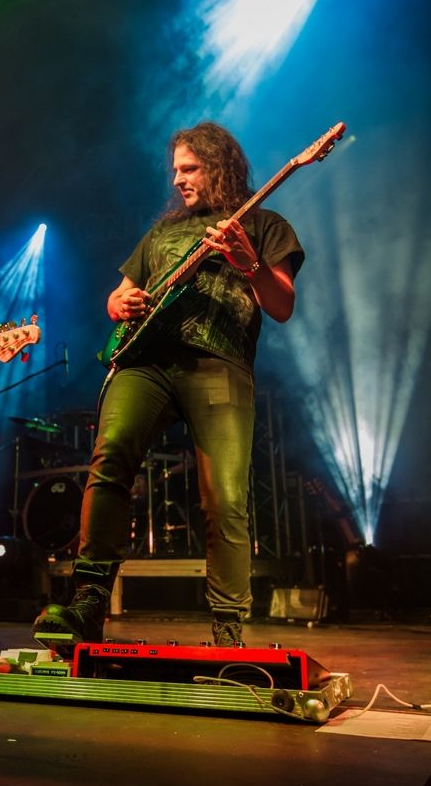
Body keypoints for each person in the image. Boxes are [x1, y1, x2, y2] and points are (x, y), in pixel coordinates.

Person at [34, 121, 304, 652]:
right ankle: (88, 603)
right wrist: (119, 303)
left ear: (219, 166)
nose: (178, 179)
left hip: (219, 363)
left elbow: (282, 306)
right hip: (146, 362)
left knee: (224, 494)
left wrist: (248, 262)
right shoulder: (162, 232)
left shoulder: (264, 223)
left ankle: (227, 628)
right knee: (110, 457)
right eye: (175, 170)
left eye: (190, 168)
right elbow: (118, 296)